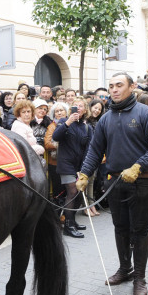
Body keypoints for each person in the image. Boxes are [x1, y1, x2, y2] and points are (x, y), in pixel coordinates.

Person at [76, 72, 148, 295]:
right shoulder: (106, 118)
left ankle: (139, 277)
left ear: (132, 86)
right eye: (111, 86)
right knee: (120, 228)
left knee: (139, 230)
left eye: (119, 85)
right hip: (115, 182)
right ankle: (124, 269)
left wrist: (139, 166)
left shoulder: (145, 113)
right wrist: (85, 173)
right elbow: (95, 150)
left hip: (142, 182)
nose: (114, 90)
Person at [52, 96, 92, 238]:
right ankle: (68, 225)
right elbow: (56, 137)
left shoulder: (87, 127)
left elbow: (89, 148)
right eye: (76, 105)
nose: (78, 108)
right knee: (72, 191)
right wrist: (68, 122)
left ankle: (72, 220)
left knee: (80, 193)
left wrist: (85, 167)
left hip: (80, 165)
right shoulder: (64, 121)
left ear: (85, 109)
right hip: (66, 164)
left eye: (81, 106)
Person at [45, 102, 68, 208]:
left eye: (61, 110)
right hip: (55, 162)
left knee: (68, 188)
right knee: (58, 189)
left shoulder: (71, 123)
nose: (59, 113)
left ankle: (68, 211)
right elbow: (47, 144)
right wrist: (61, 145)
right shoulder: (52, 126)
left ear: (66, 112)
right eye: (57, 111)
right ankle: (59, 212)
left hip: (69, 162)